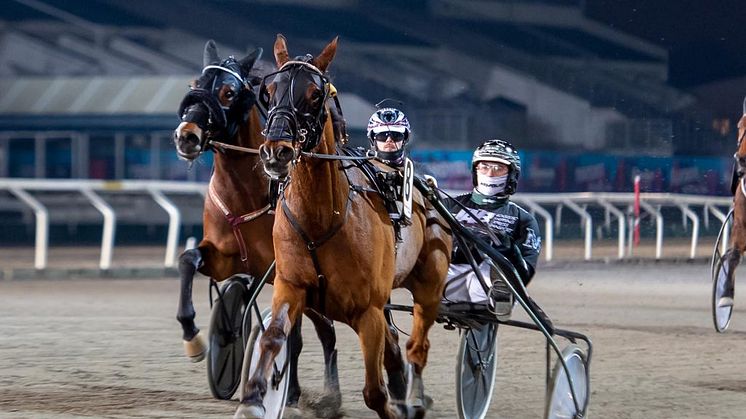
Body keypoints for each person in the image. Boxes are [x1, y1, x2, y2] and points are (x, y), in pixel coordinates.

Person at [443, 139, 542, 319]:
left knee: (498, 262)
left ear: (512, 174)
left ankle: (501, 293)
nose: (490, 173)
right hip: (442, 275)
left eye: (498, 168)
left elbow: (526, 273)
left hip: (486, 286)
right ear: (475, 170)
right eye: (484, 167)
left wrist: (512, 252)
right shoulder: (448, 205)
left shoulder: (523, 220)